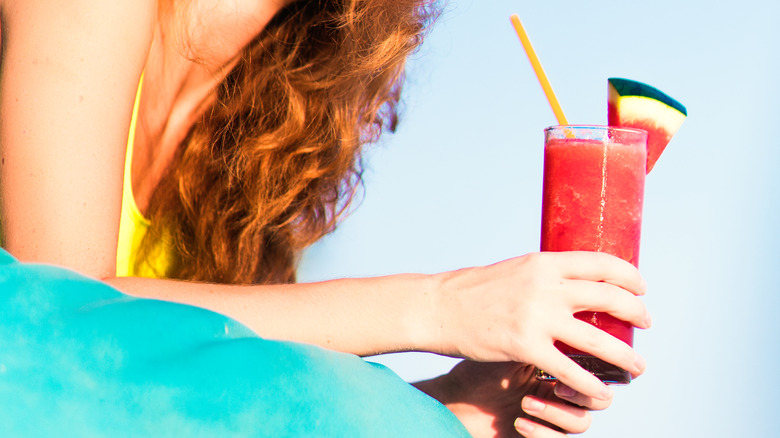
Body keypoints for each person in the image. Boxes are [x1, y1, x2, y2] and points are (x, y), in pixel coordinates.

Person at [0, 0, 651, 436]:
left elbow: (181, 386)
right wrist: (440, 307)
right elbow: (58, 319)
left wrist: (443, 403)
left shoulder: (268, 121)